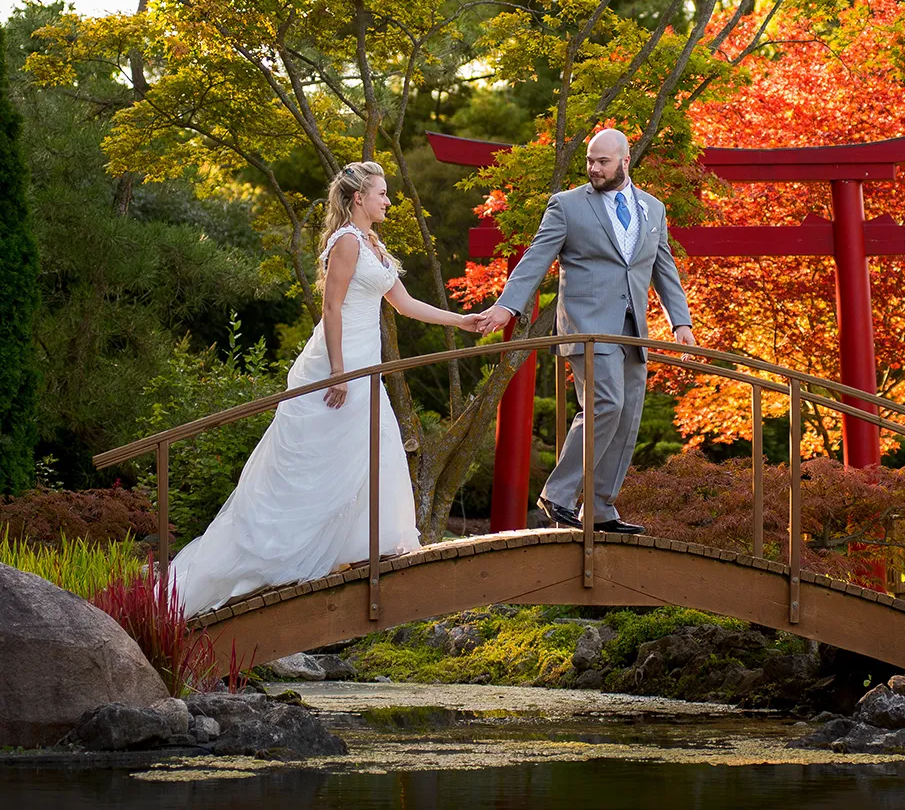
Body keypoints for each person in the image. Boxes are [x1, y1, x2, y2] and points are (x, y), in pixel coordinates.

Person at [169, 161, 483, 615]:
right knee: (321, 464)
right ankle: (267, 560)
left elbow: (405, 304)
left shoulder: (373, 243)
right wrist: (338, 371)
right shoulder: (347, 242)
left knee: (369, 452)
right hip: (339, 365)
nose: (388, 200)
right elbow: (331, 308)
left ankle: (357, 548)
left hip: (364, 364)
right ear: (359, 198)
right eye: (381, 193)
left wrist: (462, 319)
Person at [477, 128, 697, 534]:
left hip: (633, 332)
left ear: (625, 161)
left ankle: (598, 509)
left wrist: (680, 321)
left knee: (627, 415)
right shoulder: (567, 206)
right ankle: (558, 494)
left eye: (603, 162)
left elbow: (663, 268)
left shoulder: (654, 209)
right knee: (606, 404)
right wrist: (508, 306)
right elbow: (535, 258)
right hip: (587, 328)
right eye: (590, 162)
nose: (594, 168)